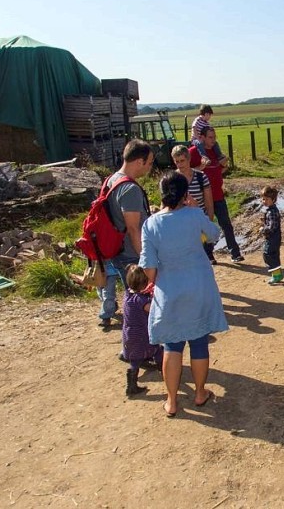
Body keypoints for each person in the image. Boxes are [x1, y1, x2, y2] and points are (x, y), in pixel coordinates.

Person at [140, 171, 228, 417]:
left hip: (170, 290)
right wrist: (194, 208)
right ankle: (200, 392)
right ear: (185, 194)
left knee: (172, 345)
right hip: (199, 285)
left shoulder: (151, 223)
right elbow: (214, 234)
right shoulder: (193, 215)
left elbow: (148, 266)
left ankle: (172, 400)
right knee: (199, 342)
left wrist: (162, 281)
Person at [98, 139, 154, 328]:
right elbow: (133, 228)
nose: (150, 167)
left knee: (132, 300)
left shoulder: (111, 180)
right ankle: (139, 345)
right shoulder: (130, 189)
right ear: (139, 161)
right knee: (140, 303)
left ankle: (135, 344)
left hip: (117, 250)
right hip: (131, 254)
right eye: (149, 162)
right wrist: (144, 258)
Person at [196, 126, 244, 263]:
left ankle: (235, 253)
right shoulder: (195, 152)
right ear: (202, 137)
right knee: (206, 227)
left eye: (214, 137)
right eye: (210, 137)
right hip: (203, 199)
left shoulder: (217, 152)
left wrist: (223, 165)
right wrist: (201, 167)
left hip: (218, 195)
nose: (213, 140)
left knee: (227, 225)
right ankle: (208, 254)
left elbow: (221, 170)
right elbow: (185, 171)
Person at [122, 265, 163, 396]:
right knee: (157, 349)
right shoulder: (142, 301)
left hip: (129, 334)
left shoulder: (128, 294)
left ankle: (131, 383)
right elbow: (154, 310)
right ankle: (164, 369)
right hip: (142, 335)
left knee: (135, 358)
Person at [172, 145, 215, 263]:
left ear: (189, 159)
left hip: (199, 223)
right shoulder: (172, 180)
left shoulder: (201, 177)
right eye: (177, 161)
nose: (180, 164)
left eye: (182, 161)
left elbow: (209, 204)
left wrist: (208, 224)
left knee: (203, 260)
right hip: (180, 226)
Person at [260, 186, 283, 285]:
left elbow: (272, 227)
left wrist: (263, 229)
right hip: (274, 237)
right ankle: (277, 274)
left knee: (268, 254)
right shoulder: (271, 210)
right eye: (263, 199)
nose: (264, 201)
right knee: (273, 254)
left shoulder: (272, 211)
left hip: (273, 237)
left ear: (273, 200)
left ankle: (276, 275)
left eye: (267, 199)